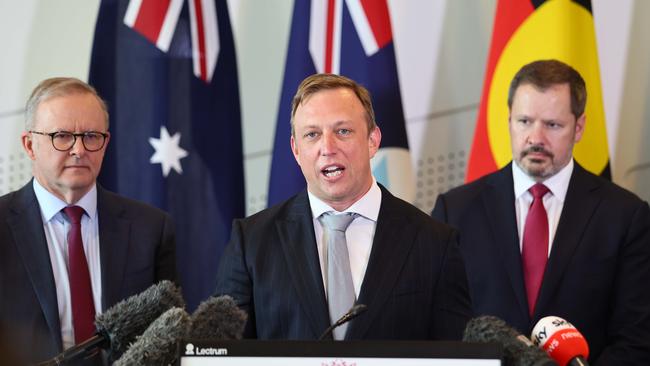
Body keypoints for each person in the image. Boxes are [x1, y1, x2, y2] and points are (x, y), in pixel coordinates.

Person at [216, 74, 471, 341]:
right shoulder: (252, 243)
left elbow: (455, 355)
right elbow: (223, 353)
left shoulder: (434, 244)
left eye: (343, 131)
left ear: (373, 140)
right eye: (312, 134)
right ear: (296, 150)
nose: (328, 147)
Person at [432, 59, 650, 364]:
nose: (536, 138)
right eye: (524, 121)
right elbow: (438, 331)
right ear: (508, 120)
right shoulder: (454, 211)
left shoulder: (625, 216)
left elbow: (636, 339)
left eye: (552, 125)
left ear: (579, 127)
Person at [0, 77, 177, 363]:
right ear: (30, 145)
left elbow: (169, 337)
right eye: (62, 136)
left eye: (91, 136)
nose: (79, 150)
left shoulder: (151, 229)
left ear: (105, 144)